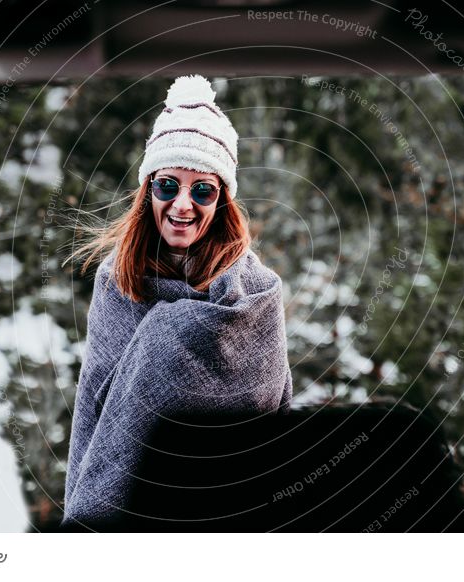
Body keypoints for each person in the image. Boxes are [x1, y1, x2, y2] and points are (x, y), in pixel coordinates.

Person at [61, 74, 293, 527]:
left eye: (202, 190)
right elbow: (96, 416)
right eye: (168, 185)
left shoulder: (257, 294)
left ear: (222, 200)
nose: (183, 205)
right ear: (148, 190)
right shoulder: (117, 282)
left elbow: (269, 421)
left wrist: (170, 341)